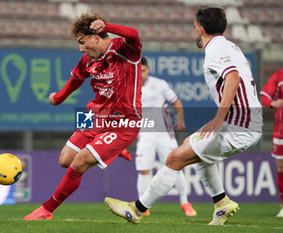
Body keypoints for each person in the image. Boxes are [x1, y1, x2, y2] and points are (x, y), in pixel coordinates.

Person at [105, 7, 262, 225]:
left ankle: (137, 210)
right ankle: (221, 203)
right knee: (192, 145)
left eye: (194, 28)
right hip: (244, 122)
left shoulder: (216, 48)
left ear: (201, 29)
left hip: (239, 125)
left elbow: (233, 79)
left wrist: (219, 118)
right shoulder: (229, 46)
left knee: (174, 158)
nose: (193, 32)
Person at [23, 12, 143, 220]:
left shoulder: (124, 50)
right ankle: (114, 148)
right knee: (64, 160)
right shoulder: (87, 59)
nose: (80, 48)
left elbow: (134, 34)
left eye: (82, 42)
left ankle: (47, 210)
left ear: (96, 37)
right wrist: (59, 98)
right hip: (94, 116)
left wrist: (107, 25)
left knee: (79, 162)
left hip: (124, 121)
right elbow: (76, 80)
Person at [133, 57, 196, 217]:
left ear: (148, 70)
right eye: (138, 70)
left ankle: (185, 202)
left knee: (175, 165)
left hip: (164, 134)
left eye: (144, 70)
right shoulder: (130, 87)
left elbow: (176, 101)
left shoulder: (159, 84)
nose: (141, 73)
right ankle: (144, 206)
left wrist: (180, 120)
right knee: (144, 170)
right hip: (145, 134)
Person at [260, 69, 283, 217]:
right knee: (281, 167)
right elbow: (264, 98)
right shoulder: (279, 75)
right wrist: (274, 102)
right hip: (280, 130)